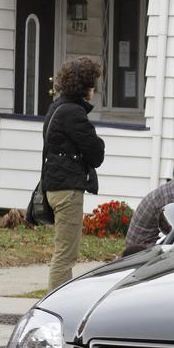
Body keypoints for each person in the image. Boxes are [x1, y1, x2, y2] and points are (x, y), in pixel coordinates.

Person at [41, 57, 105, 290]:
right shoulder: (73, 114)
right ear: (85, 86)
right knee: (65, 255)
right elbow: (96, 154)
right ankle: (54, 306)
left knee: (63, 252)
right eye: (93, 84)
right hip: (67, 190)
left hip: (54, 186)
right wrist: (99, 141)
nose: (95, 89)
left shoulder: (56, 107)